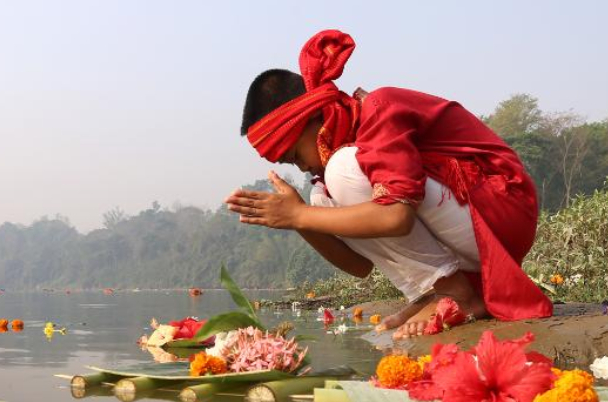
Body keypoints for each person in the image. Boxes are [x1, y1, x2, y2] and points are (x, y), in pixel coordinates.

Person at [226, 29, 552, 338]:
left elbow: (397, 216)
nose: (303, 166)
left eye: (295, 155)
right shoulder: (338, 163)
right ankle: (436, 291)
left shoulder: (378, 110)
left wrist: (297, 215)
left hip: (501, 206)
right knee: (321, 198)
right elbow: (359, 267)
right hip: (465, 221)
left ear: (312, 116)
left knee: (341, 172)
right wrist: (299, 221)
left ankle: (457, 294)